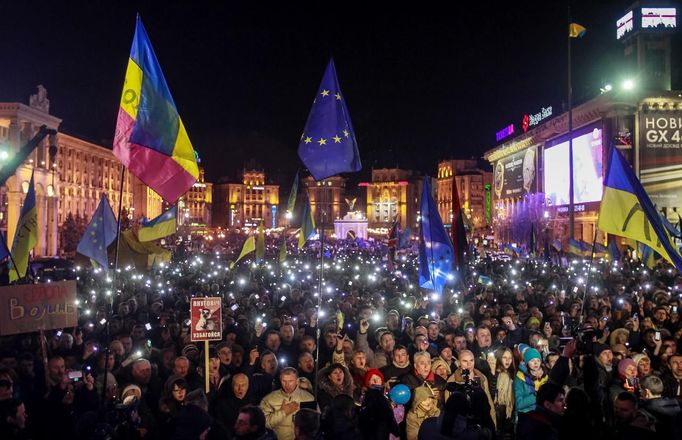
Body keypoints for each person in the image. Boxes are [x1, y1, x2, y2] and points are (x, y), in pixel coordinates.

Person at [260, 367, 315, 440]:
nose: (287, 385)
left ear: (297, 381)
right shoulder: (269, 399)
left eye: (290, 381)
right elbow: (263, 423)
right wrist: (283, 412)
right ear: (280, 380)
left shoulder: (308, 398)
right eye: (284, 381)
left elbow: (314, 424)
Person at [639, 375, 682, 439]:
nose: (640, 393)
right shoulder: (675, 404)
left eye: (640, 391)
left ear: (647, 392)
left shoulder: (646, 409)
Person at [488, 346, 515, 437]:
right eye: (504, 357)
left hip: (509, 412)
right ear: (499, 358)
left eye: (510, 358)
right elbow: (492, 392)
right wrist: (492, 372)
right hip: (497, 412)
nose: (508, 360)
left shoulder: (512, 374)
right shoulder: (493, 372)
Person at [514, 348, 548, 415]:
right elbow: (519, 404)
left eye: (538, 360)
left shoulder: (545, 377)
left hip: (542, 414)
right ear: (527, 362)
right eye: (532, 360)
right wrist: (537, 395)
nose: (536, 363)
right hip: (526, 415)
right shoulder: (520, 378)